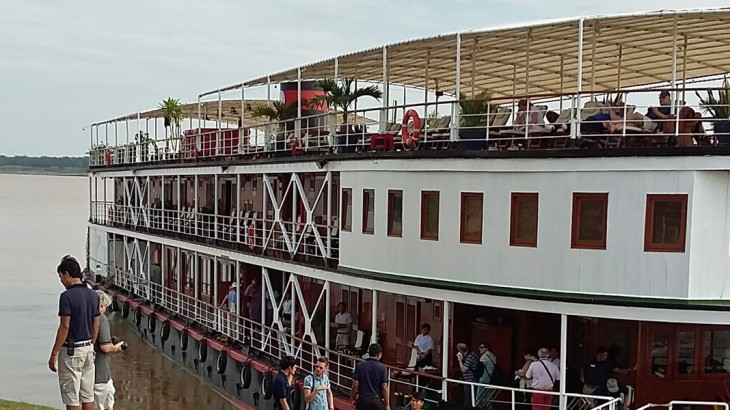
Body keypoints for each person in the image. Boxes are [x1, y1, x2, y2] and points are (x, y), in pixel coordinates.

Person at [49, 255, 101, 410]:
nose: (61, 280)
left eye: (60, 276)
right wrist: (91, 343)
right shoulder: (93, 295)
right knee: (87, 395)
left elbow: (64, 327)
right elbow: (96, 324)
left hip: (72, 350)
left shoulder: (66, 297)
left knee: (71, 396)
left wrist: (54, 353)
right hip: (88, 348)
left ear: (67, 274)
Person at [93, 291, 125, 410]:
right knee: (106, 403)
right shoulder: (101, 319)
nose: (106, 310)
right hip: (100, 373)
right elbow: (105, 347)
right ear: (101, 306)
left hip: (85, 372)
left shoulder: (81, 316)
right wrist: (117, 347)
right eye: (105, 307)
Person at [351, 343, 390, 410]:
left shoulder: (359, 366)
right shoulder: (382, 368)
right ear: (379, 354)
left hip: (363, 400)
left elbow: (355, 385)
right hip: (376, 400)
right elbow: (384, 387)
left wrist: (352, 398)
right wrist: (387, 404)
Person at [456, 342, 479, 407]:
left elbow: (463, 370)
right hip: (472, 381)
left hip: (470, 382)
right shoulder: (472, 355)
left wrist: (459, 360)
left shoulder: (470, 357)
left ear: (461, 351)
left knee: (468, 401)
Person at [476, 343, 497, 410]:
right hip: (491, 378)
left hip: (484, 379)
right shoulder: (493, 356)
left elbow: (479, 369)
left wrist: (476, 376)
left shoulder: (484, 357)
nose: (480, 349)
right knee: (488, 398)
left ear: (487, 348)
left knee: (479, 398)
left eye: (481, 347)